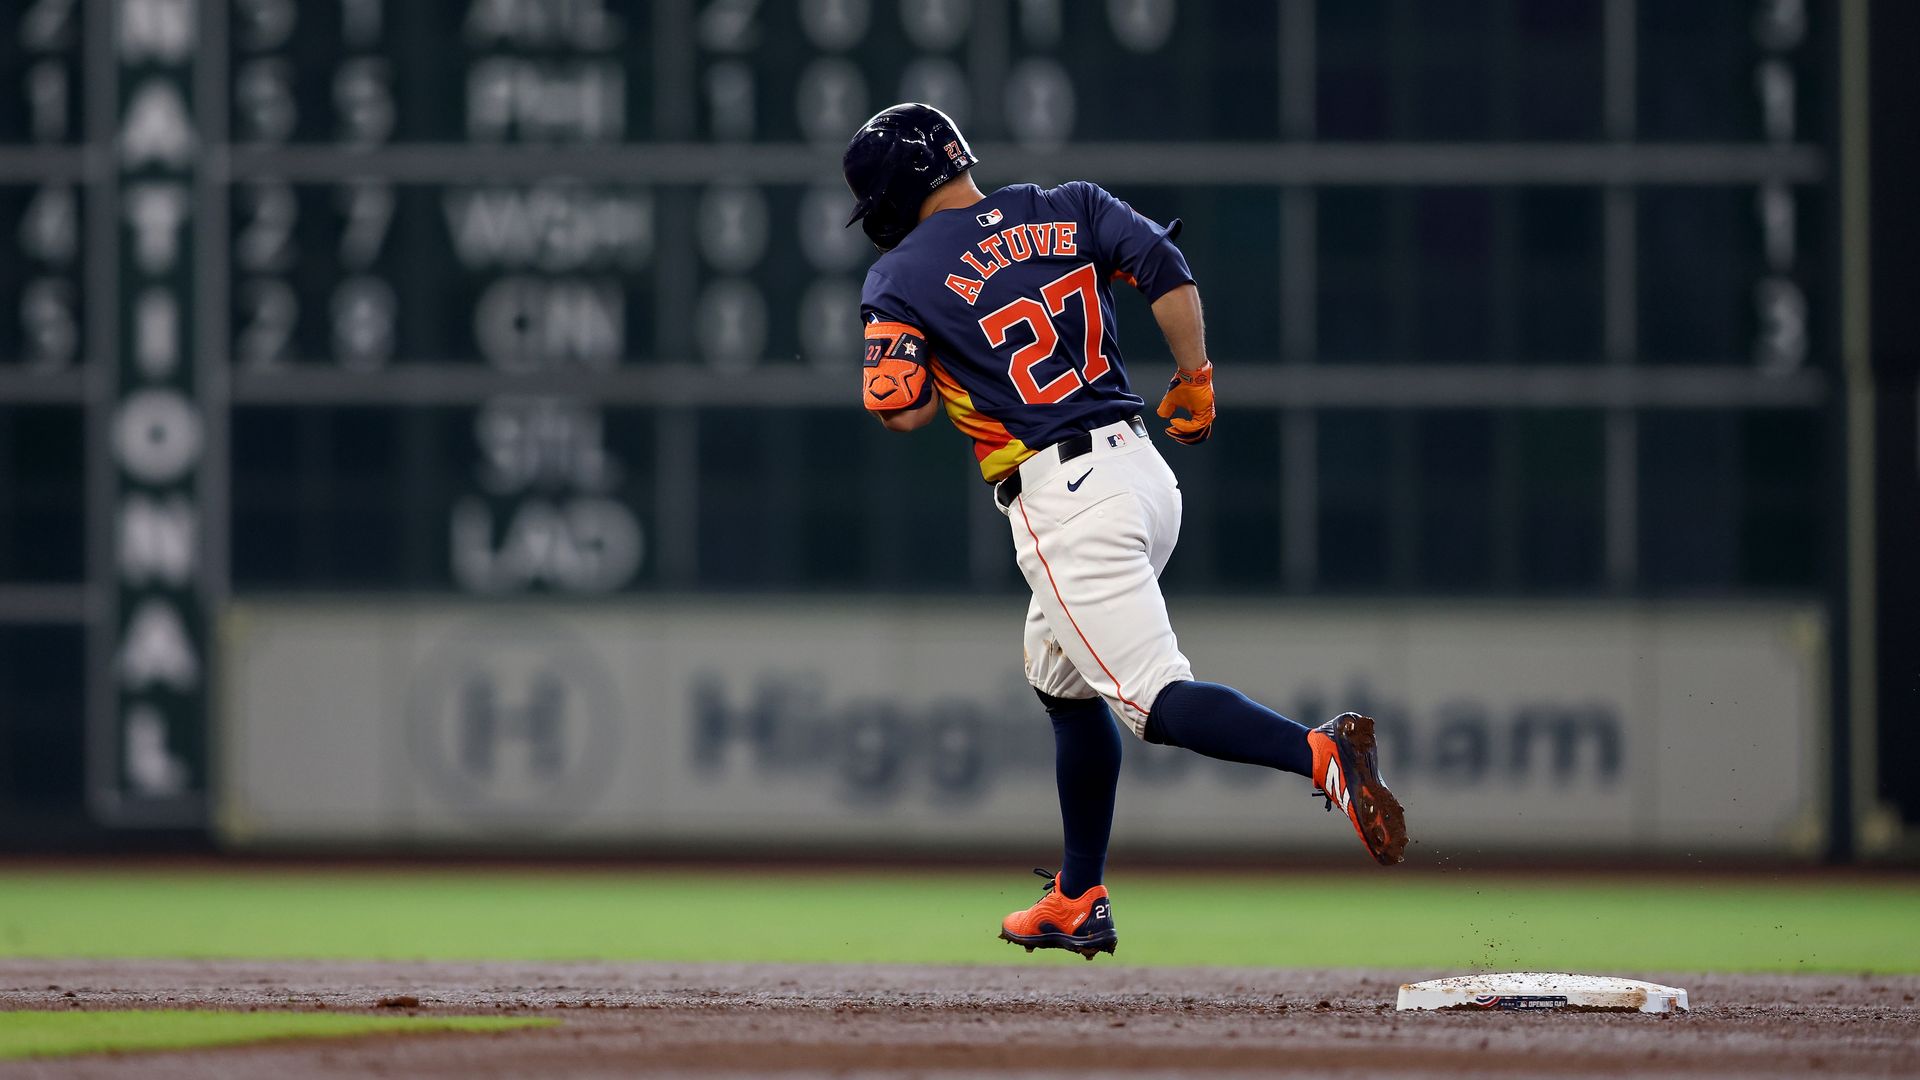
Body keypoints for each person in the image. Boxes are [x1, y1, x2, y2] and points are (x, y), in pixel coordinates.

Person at [844, 103, 1408, 960]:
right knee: (1060, 682)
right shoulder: (1067, 203)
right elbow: (1163, 265)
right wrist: (1196, 377)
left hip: (1064, 499)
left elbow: (905, 411)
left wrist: (913, 384)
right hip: (1144, 474)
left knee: (1153, 702)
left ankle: (1321, 753)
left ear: (887, 191)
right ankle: (1077, 895)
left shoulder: (899, 275)